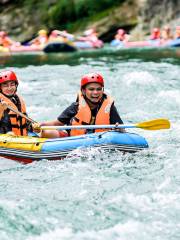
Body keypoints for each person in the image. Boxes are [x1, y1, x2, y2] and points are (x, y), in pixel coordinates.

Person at [34, 73, 125, 138]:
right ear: (83, 91)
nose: (95, 92)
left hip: (100, 140)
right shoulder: (75, 107)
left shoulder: (109, 108)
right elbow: (57, 123)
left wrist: (118, 129)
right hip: (74, 139)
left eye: (98, 89)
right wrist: (41, 125)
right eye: (91, 89)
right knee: (47, 132)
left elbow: (122, 129)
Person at [0, 70, 32, 135]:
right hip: (5, 139)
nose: (9, 88)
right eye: (5, 86)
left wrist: (33, 127)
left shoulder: (17, 101)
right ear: (0, 88)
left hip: (19, 137)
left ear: (16, 85)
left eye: (12, 84)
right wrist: (1, 109)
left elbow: (25, 121)